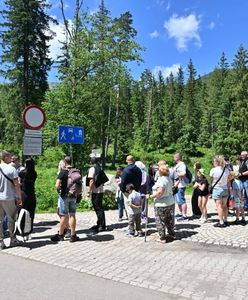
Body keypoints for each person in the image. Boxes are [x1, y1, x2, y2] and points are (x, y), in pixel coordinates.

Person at [51, 156, 80, 242]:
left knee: (63, 215)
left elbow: (57, 185)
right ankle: (73, 235)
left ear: (65, 162)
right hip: (73, 196)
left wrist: (61, 190)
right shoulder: (76, 171)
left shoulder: (63, 172)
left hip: (64, 196)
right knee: (72, 215)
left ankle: (60, 235)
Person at [146, 164, 176, 243]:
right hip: (170, 201)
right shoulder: (169, 179)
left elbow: (159, 192)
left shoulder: (161, 180)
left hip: (161, 203)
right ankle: (171, 234)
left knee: (160, 220)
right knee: (169, 219)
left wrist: (150, 196)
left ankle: (162, 238)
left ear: (160, 172)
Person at [0, 150, 23, 249]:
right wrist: (19, 197)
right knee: (11, 219)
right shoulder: (11, 169)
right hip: (9, 197)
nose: (11, 159)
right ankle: (12, 239)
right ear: (5, 157)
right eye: (10, 157)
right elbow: (16, 185)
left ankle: (1, 241)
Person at [210, 155, 231, 228]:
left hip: (217, 189)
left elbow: (211, 180)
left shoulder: (213, 170)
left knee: (219, 206)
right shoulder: (226, 170)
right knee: (225, 206)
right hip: (225, 189)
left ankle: (221, 222)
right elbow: (228, 180)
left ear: (216, 162)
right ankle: (225, 220)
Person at [88, 157, 106, 234]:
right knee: (99, 208)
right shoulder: (99, 167)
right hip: (100, 191)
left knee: (98, 209)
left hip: (96, 192)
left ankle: (102, 226)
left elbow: (91, 181)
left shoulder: (92, 169)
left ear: (91, 162)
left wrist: (90, 191)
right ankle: (99, 224)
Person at [19, 158, 37, 234]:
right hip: (31, 194)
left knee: (22, 212)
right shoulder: (34, 173)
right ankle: (30, 229)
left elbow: (20, 183)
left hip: (24, 194)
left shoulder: (21, 173)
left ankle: (22, 229)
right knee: (31, 212)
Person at [173, 153, 189, 221]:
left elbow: (183, 173)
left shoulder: (182, 165)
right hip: (178, 185)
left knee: (182, 200)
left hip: (181, 185)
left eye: (174, 157)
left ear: (177, 158)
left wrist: (175, 174)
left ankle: (184, 215)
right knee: (178, 200)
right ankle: (180, 213)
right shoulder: (178, 165)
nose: (173, 158)